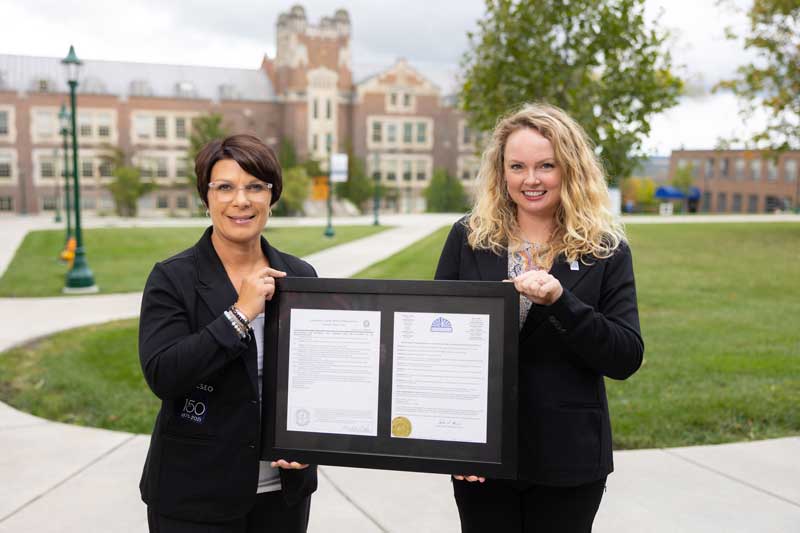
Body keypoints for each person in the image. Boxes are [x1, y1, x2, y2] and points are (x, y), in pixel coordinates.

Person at [435, 103, 644, 532]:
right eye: (518, 166)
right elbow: (435, 346)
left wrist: (561, 301)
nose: (531, 179)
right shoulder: (469, 238)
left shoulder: (605, 250)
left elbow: (625, 356)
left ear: (570, 169)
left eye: (546, 165)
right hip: (483, 456)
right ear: (501, 172)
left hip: (568, 458)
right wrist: (452, 443)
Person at [138, 134, 317, 532]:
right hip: (195, 497)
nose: (241, 200)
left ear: (272, 196)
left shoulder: (300, 275)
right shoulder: (172, 278)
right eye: (225, 187)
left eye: (255, 187)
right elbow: (164, 374)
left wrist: (313, 442)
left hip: (283, 495)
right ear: (206, 198)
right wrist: (239, 315)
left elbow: (318, 376)